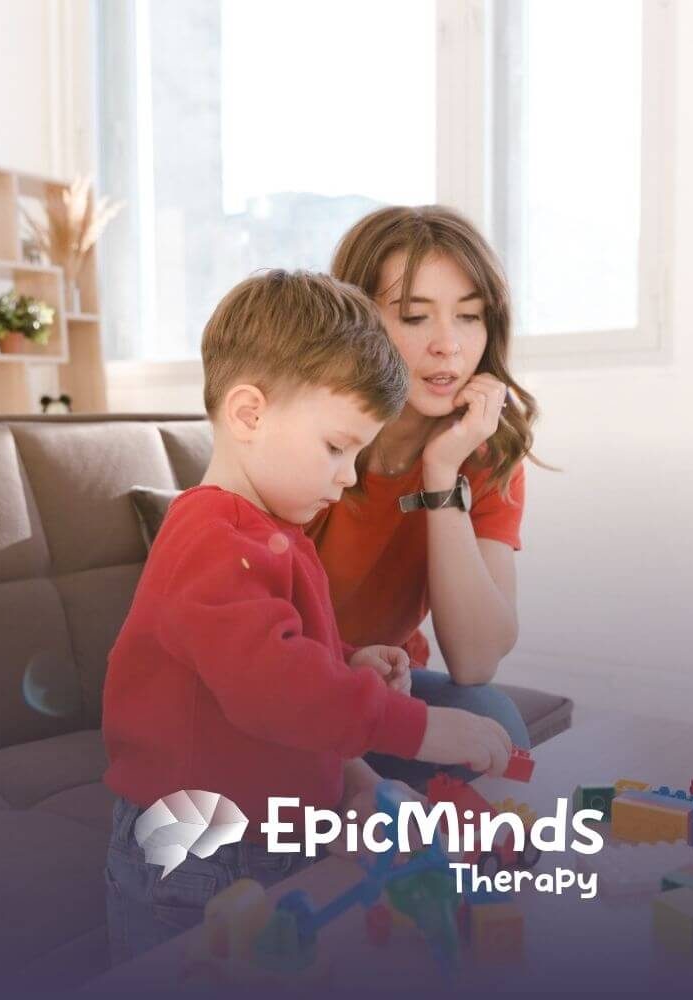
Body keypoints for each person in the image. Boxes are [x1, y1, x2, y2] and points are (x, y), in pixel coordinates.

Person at [100, 269, 513, 967]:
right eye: (335, 447)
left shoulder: (266, 530)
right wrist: (424, 731)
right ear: (249, 414)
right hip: (202, 851)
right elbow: (274, 690)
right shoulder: (211, 538)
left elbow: (266, 650)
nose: (348, 475)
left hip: (259, 837)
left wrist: (345, 657)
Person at [308, 206, 542, 789]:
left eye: (469, 317)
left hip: (379, 690)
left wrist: (442, 474)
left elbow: (476, 660)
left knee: (495, 722)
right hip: (287, 689)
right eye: (415, 317)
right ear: (358, 323)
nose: (448, 346)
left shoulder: (484, 452)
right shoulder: (313, 440)